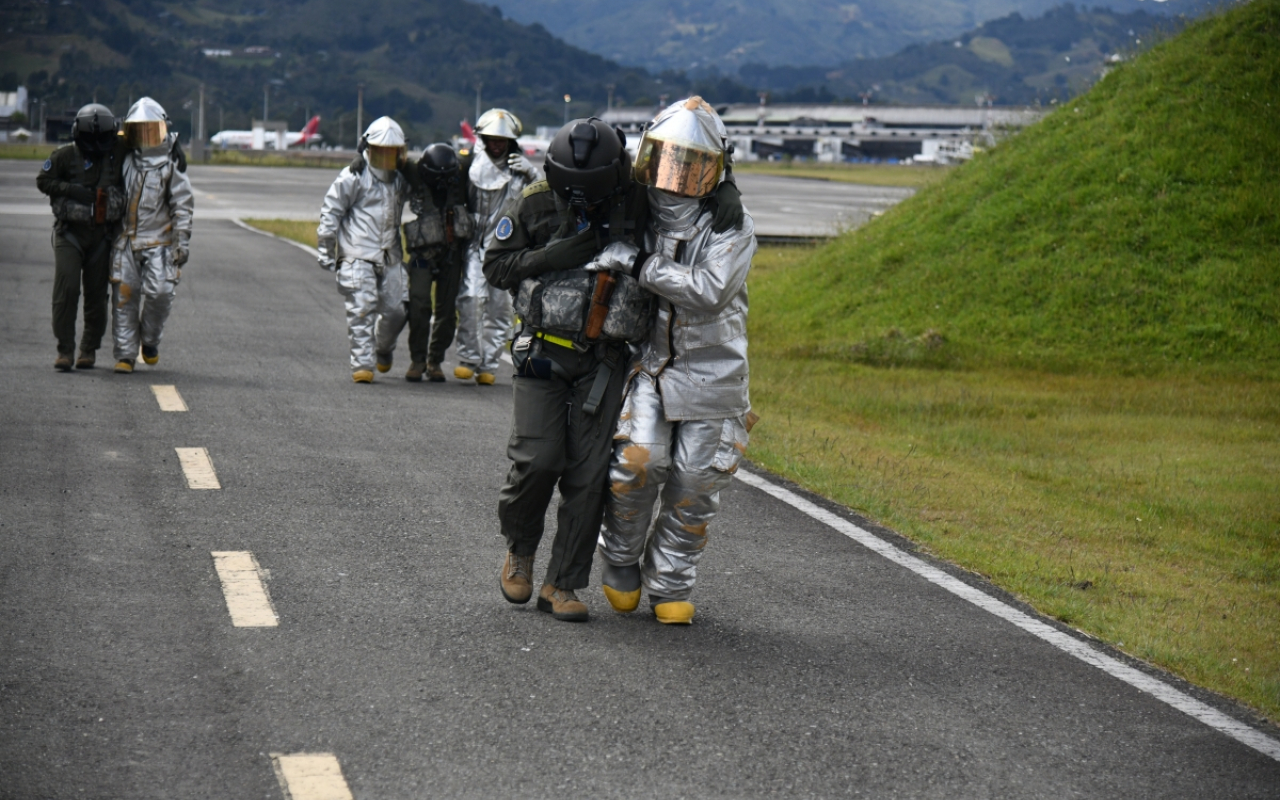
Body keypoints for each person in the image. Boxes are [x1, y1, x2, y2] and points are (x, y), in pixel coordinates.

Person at [483, 117, 745, 623]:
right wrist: (554, 254)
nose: (584, 200)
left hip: (604, 360)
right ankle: (519, 548)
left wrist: (728, 186)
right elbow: (497, 267)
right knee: (538, 461)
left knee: (588, 477)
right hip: (543, 351)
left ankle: (562, 583)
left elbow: (687, 176)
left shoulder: (636, 199)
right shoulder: (535, 201)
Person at [594, 97, 758, 625]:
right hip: (652, 363)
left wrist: (641, 264)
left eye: (693, 166)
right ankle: (620, 558)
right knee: (640, 461)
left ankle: (670, 583)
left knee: (695, 482)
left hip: (716, 372)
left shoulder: (733, 223)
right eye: (667, 160)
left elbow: (708, 291)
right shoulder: (636, 205)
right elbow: (593, 174)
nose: (676, 177)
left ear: (716, 170)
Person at [35, 103, 127, 371]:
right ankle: (65, 349)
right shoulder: (64, 156)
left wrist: (173, 147)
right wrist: (71, 190)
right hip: (70, 233)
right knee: (67, 289)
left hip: (102, 235)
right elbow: (43, 180)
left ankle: (88, 349)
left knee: (97, 296)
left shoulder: (119, 151)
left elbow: (148, 142)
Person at [317, 117, 409, 383]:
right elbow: (331, 211)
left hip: (390, 255)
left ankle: (383, 348)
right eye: (382, 150)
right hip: (357, 253)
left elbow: (423, 189)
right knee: (362, 307)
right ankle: (362, 365)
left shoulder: (401, 179)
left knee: (397, 311)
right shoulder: (353, 175)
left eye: (393, 151)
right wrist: (326, 248)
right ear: (368, 148)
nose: (387, 156)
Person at [455, 108, 542, 386]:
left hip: (508, 252)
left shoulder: (521, 169)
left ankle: (489, 364)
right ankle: (468, 358)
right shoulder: (469, 165)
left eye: (502, 139)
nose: (497, 143)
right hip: (475, 245)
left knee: (500, 308)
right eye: (492, 138)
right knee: (470, 300)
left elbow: (544, 196)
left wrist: (532, 173)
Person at [110, 97, 195, 374]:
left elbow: (182, 207)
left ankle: (149, 341)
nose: (146, 137)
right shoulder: (124, 162)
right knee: (124, 296)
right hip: (126, 240)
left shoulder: (171, 166)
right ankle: (125, 354)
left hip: (160, 242)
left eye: (151, 129)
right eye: (140, 130)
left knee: (160, 293)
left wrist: (182, 244)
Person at [401, 143, 473, 382]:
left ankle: (435, 361)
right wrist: (362, 154)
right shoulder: (413, 170)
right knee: (419, 304)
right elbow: (388, 157)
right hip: (423, 254)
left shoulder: (463, 169)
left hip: (452, 253)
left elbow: (492, 156)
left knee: (447, 311)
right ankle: (418, 360)